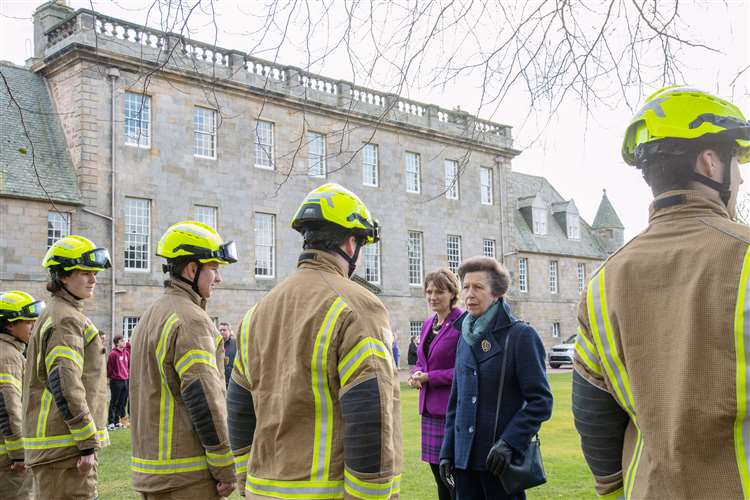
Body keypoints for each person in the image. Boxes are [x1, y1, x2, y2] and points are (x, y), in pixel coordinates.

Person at [572, 86, 750, 498]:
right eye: (736, 165)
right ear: (710, 162)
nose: (740, 179)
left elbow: (593, 410)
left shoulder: (604, 280)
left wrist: (613, 488)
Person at [227, 183, 402, 498]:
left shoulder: (256, 313)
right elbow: (369, 412)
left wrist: (244, 479)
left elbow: (238, 406)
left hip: (261, 490)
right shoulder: (358, 306)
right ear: (351, 245)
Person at [129, 221, 237, 499]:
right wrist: (224, 465)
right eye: (214, 268)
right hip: (187, 476)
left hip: (153, 471)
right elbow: (204, 397)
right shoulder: (191, 320)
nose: (219, 278)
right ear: (192, 269)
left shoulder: (149, 316)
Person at [439, 256, 553, 499]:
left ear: (497, 292)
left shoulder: (521, 335)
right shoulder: (464, 336)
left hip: (499, 462)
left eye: (478, 287)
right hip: (464, 462)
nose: (469, 294)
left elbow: (541, 402)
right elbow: (455, 402)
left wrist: (510, 442)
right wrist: (448, 451)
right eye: (466, 286)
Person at [23, 235, 111, 500]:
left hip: (58, 448)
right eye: (85, 272)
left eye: (94, 272)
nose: (93, 278)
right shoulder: (66, 319)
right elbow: (65, 382)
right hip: (65, 449)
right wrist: (86, 442)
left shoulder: (57, 312)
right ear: (62, 276)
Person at [408, 268, 463, 500]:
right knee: (438, 476)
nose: (432, 296)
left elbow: (465, 371)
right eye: (429, 291)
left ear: (452, 293)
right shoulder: (428, 323)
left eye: (439, 291)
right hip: (429, 412)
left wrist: (431, 377)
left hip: (452, 413)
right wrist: (415, 373)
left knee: (454, 480)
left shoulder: (463, 322)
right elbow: (421, 360)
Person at [0, 291, 44, 500]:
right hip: (8, 461)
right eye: (28, 322)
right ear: (9, 325)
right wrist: (19, 454)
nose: (33, 326)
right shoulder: (7, 356)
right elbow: (8, 407)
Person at [106, 335, 129, 430]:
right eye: (122, 341)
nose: (124, 342)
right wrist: (109, 378)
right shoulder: (113, 354)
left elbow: (128, 366)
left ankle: (117, 421)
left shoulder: (126, 353)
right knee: (114, 402)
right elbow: (109, 368)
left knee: (122, 402)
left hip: (125, 380)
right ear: (117, 343)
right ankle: (110, 422)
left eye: (124, 340)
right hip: (116, 381)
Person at [218, 322, 236, 387]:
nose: (222, 332)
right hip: (218, 380)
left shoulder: (235, 344)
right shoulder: (215, 344)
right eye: (220, 330)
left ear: (229, 331)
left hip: (232, 380)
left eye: (224, 330)